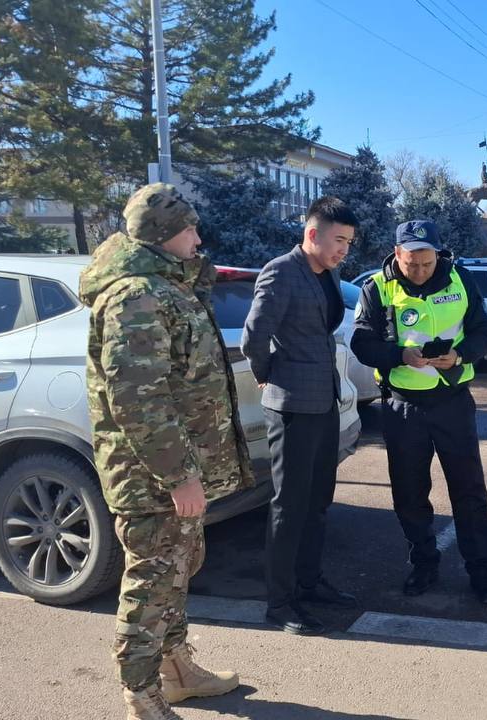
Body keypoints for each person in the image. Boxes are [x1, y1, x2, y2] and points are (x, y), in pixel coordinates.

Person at [80, 183, 250, 720]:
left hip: (177, 469)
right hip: (151, 476)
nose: (198, 238)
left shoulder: (165, 285)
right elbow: (139, 399)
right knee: (151, 581)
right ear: (161, 236)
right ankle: (141, 695)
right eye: (189, 230)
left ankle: (175, 670)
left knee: (178, 569)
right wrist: (179, 477)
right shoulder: (135, 296)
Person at [350, 220, 487, 603]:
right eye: (411, 263)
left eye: (427, 263)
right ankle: (424, 564)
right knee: (409, 492)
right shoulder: (377, 288)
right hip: (403, 406)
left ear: (439, 254)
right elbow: (361, 344)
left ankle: (482, 573)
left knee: (469, 491)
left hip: (453, 401)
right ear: (397, 254)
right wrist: (399, 355)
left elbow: (485, 332)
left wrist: (461, 355)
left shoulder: (460, 279)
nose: (419, 271)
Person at [242, 196, 359, 635]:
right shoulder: (281, 271)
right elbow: (255, 337)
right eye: (338, 240)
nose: (343, 250)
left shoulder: (328, 273)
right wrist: (268, 376)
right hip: (291, 406)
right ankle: (281, 601)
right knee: (288, 508)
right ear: (313, 234)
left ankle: (310, 582)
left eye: (348, 242)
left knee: (318, 503)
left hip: (324, 403)